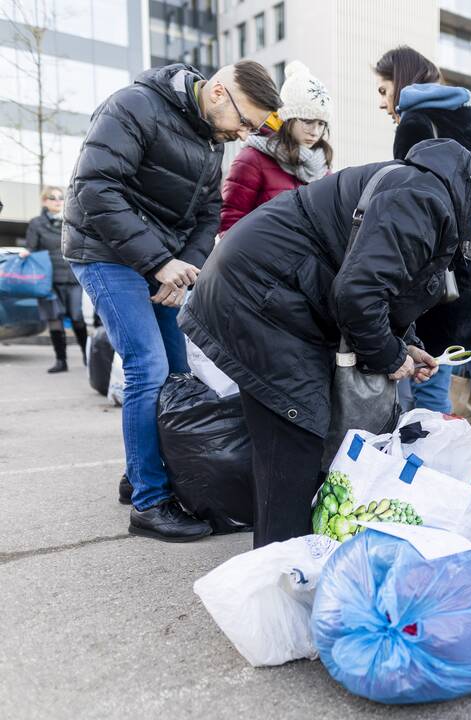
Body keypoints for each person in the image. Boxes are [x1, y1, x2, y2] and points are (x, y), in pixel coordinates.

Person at [180, 139, 471, 548]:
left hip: (282, 294)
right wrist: (390, 357)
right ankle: (281, 573)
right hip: (261, 295)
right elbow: (357, 293)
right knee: (295, 442)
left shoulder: (435, 196)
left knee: (299, 441)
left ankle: (293, 561)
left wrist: (404, 343)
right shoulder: (423, 201)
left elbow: (383, 283)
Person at [64, 61, 282, 542]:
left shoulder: (209, 138)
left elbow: (209, 213)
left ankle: (141, 471)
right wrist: (158, 262)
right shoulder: (134, 105)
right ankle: (149, 502)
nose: (246, 134)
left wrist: (181, 267)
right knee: (148, 367)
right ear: (220, 93)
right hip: (102, 251)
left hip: (156, 260)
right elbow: (96, 189)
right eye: (246, 121)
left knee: (178, 372)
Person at [374, 47, 471, 451]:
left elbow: (410, 205)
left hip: (442, 275)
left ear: (402, 83)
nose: (382, 101)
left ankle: (426, 460)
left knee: (432, 369)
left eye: (384, 89)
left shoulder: (416, 124)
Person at [219, 61, 333, 234]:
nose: (315, 132)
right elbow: (230, 222)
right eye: (308, 121)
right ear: (288, 118)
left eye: (321, 123)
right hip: (260, 258)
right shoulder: (252, 159)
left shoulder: (322, 167)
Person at [22, 186, 86, 373]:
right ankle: (61, 361)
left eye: (61, 197)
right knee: (54, 319)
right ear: (44, 201)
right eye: (52, 198)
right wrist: (27, 252)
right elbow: (31, 248)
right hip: (48, 279)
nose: (58, 201)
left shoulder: (73, 220)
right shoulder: (36, 223)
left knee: (77, 318)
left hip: (72, 276)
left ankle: (87, 356)